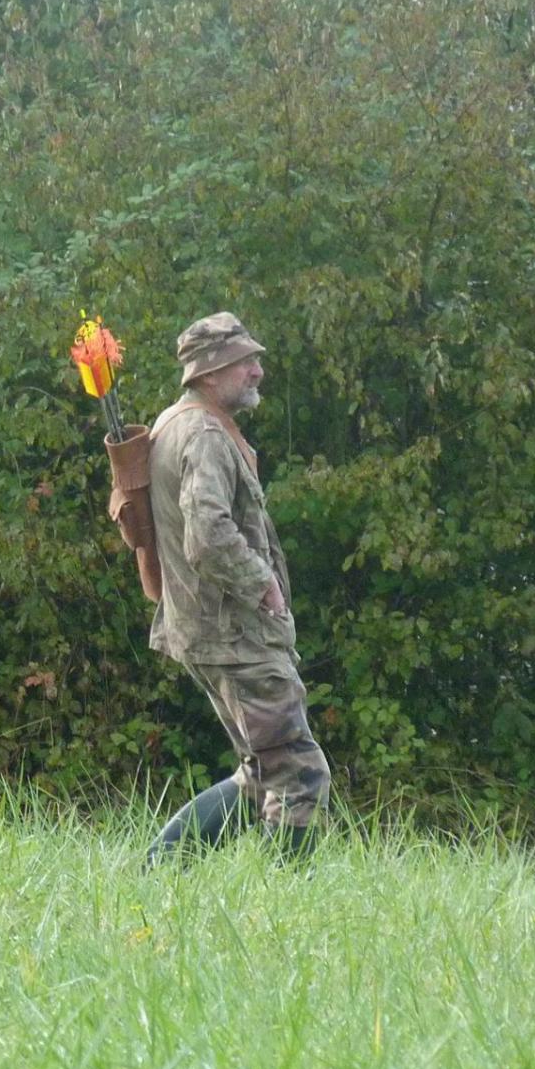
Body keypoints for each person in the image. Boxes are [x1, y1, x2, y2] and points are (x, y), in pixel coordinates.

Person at [143, 312, 329, 864]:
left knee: (260, 771)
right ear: (209, 372)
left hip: (209, 627)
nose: (256, 372)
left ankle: (162, 867)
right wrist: (263, 584)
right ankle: (288, 904)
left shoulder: (175, 423)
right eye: (244, 362)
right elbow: (208, 533)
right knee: (298, 771)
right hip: (234, 632)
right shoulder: (202, 435)